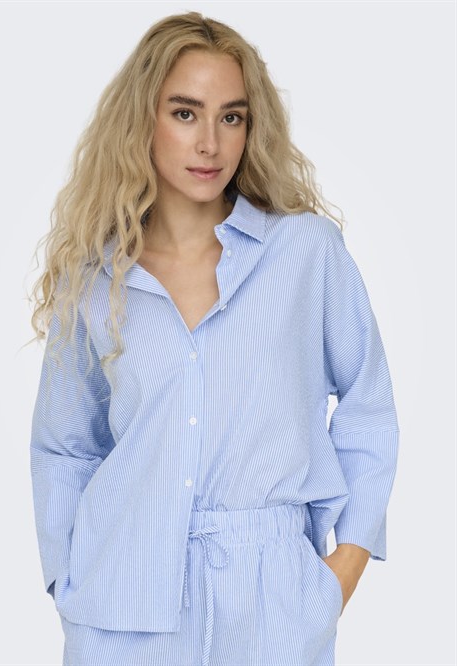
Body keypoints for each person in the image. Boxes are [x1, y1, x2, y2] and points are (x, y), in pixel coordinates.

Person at [28, 11, 400, 666]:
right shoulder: (95, 276)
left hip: (271, 601)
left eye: (231, 117)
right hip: (120, 602)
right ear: (142, 121)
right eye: (185, 113)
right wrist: (69, 577)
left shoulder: (305, 254)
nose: (210, 143)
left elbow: (368, 409)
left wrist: (340, 571)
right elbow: (65, 447)